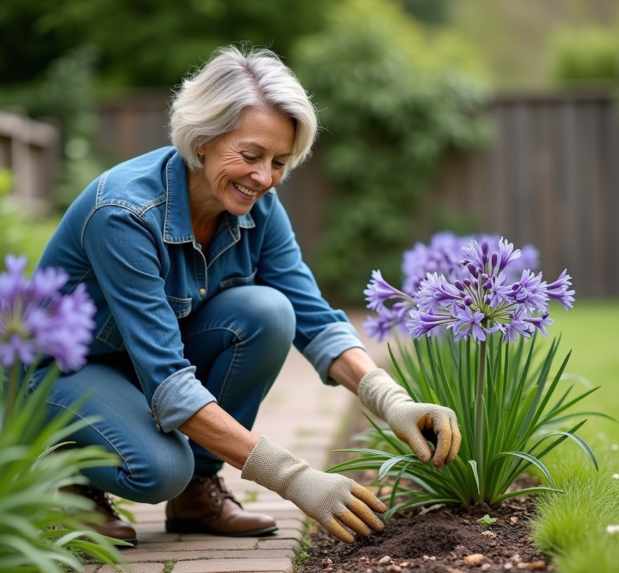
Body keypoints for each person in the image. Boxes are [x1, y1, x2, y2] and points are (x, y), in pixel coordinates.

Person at [34, 46, 461, 547]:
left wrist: (394, 403)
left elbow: (311, 316)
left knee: (268, 312)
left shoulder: (257, 206)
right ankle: (68, 471)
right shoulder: (126, 215)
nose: (264, 177)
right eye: (251, 155)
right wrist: (295, 479)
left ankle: (197, 496)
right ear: (203, 139)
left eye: (279, 161)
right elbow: (168, 380)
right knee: (161, 469)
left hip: (136, 364)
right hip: (61, 374)